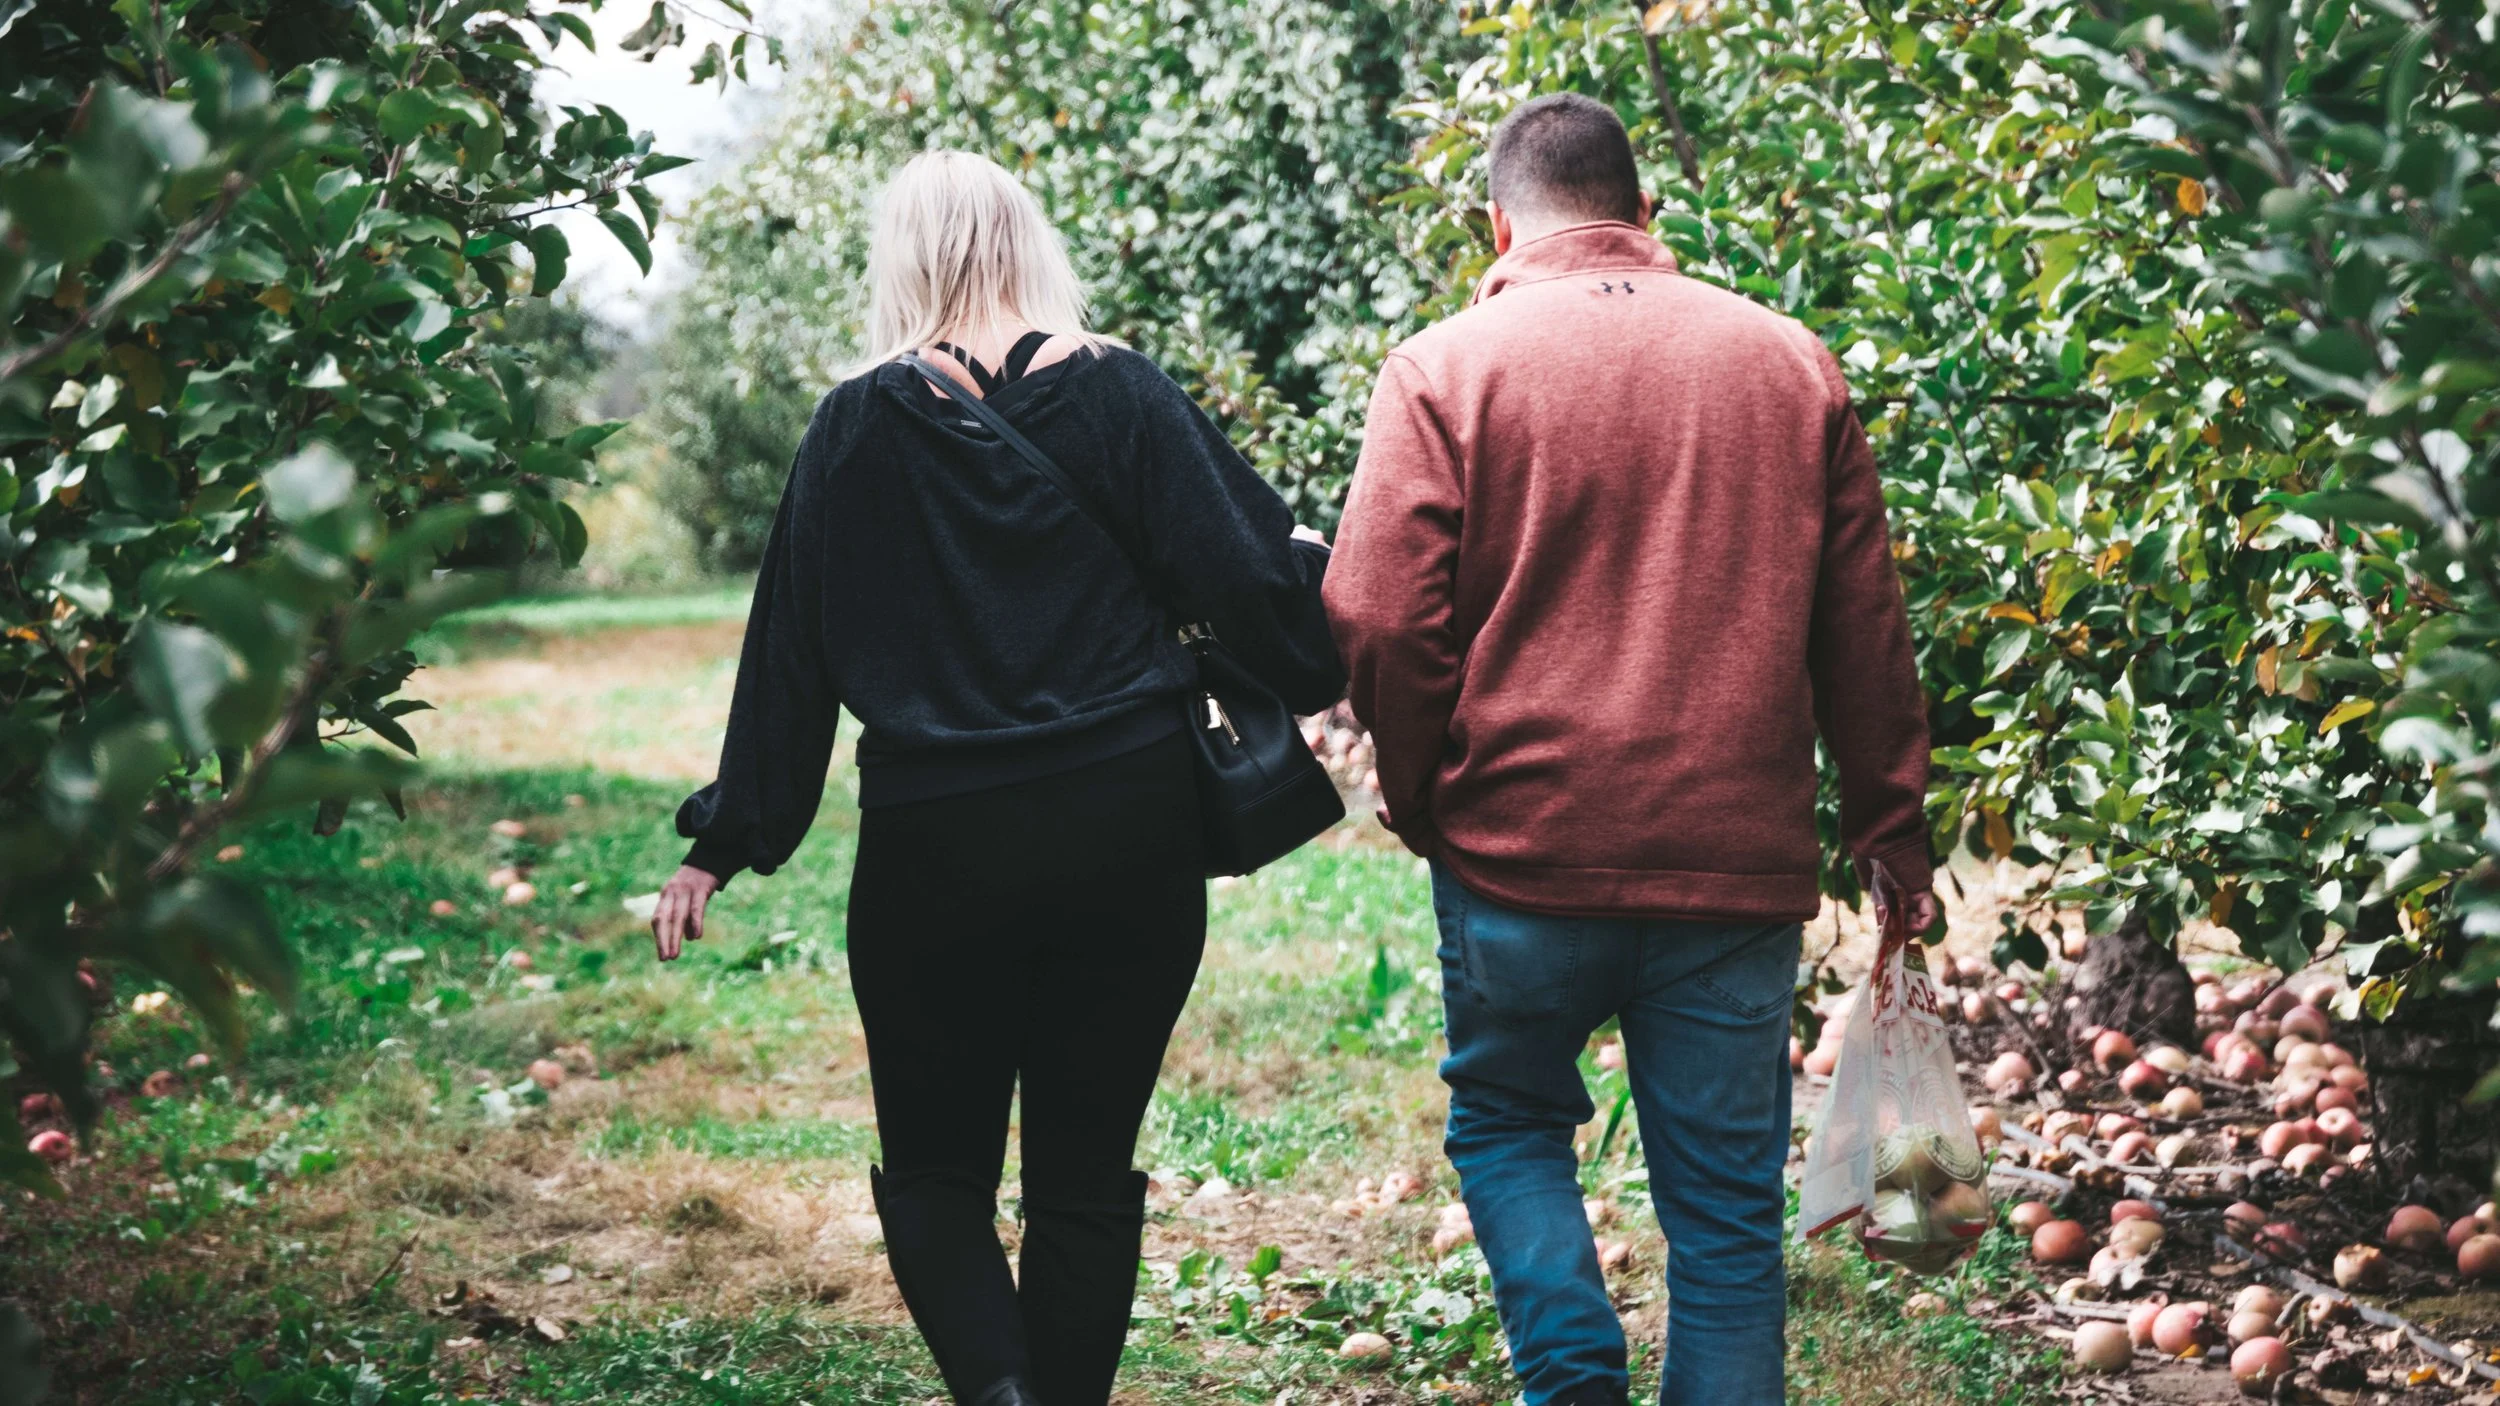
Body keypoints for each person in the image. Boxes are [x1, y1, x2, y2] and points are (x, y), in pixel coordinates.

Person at [647, 150, 1343, 1406]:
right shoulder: (1123, 392)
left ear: (900, 261)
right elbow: (1253, 579)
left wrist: (727, 838)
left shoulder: (853, 425)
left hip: (935, 840)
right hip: (1127, 823)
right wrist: (1316, 628)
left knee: (933, 1171)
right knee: (1085, 1171)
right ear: (1028, 243)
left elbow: (790, 649)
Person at [1324, 93, 1938, 1406]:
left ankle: (1573, 1377)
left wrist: (1427, 793)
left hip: (1520, 849)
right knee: (1724, 1221)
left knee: (1507, 1123)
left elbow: (1377, 613)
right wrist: (1892, 830)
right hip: (1733, 863)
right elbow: (1866, 632)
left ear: (1499, 226)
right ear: (1648, 212)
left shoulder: (1443, 369)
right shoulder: (1790, 364)